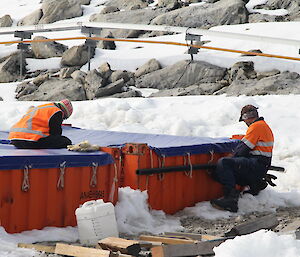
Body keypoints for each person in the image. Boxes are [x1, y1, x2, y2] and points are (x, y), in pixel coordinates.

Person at [210, 104, 274, 212]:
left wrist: (229, 157)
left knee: (224, 164)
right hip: (262, 165)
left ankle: (231, 200)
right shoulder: (264, 126)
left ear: (246, 118)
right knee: (235, 166)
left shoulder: (256, 127)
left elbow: (243, 149)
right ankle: (255, 184)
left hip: (257, 164)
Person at [8, 99, 73, 149]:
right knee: (65, 141)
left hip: (14, 138)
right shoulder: (57, 112)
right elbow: (56, 133)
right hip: (30, 140)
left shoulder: (43, 107)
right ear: (65, 113)